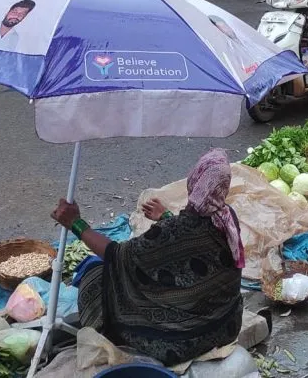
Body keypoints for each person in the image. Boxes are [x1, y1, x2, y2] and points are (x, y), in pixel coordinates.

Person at [51, 149, 244, 366]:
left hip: (184, 342)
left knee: (96, 276)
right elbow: (186, 247)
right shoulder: (227, 219)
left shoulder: (177, 230)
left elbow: (117, 255)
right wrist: (166, 217)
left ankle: (112, 330)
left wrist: (76, 223)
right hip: (226, 323)